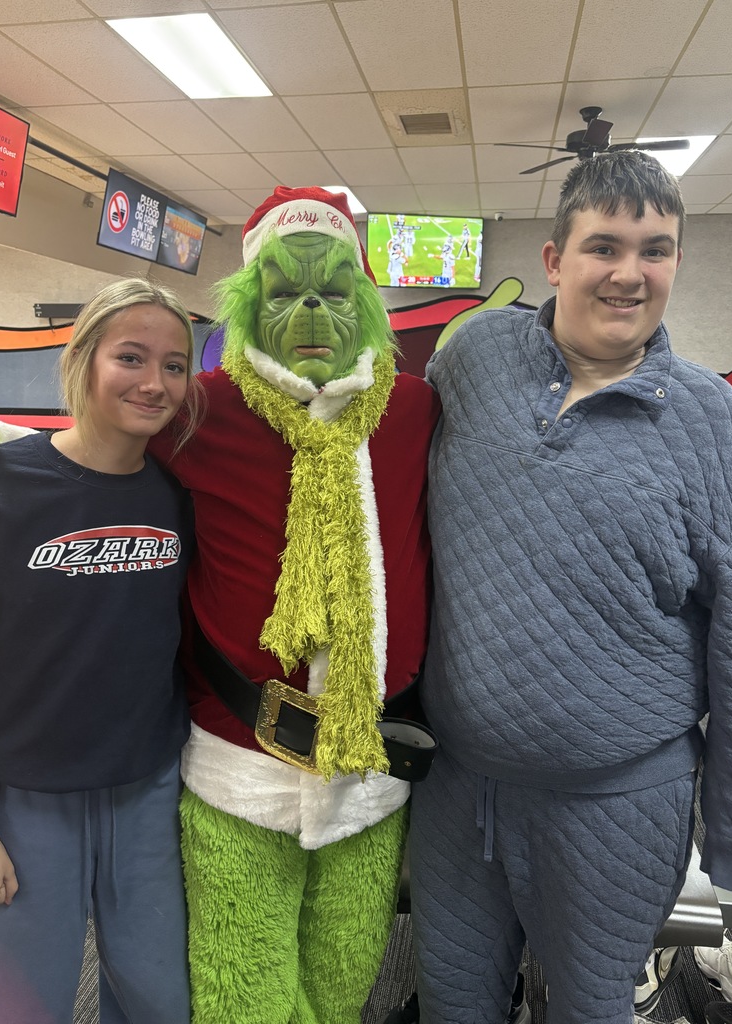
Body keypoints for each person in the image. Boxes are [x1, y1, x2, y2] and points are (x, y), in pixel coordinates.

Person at [409, 150, 732, 1024]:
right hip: (458, 790)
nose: (630, 274)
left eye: (656, 249)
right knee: (452, 1004)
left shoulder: (710, 417)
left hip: (618, 807)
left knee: (592, 1011)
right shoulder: (473, 358)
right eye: (605, 246)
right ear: (555, 260)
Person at [148, 185, 440, 1024]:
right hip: (241, 760)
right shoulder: (199, 413)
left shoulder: (414, 409)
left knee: (343, 982)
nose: (310, 310)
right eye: (283, 291)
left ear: (365, 303)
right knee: (244, 991)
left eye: (332, 290)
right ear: (247, 303)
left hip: (369, 769)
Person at [0, 278, 203, 1023]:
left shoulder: (175, 496)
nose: (154, 382)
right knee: (26, 1006)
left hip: (145, 790)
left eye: (174, 365)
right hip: (25, 802)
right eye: (131, 357)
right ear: (83, 358)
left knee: (158, 1001)